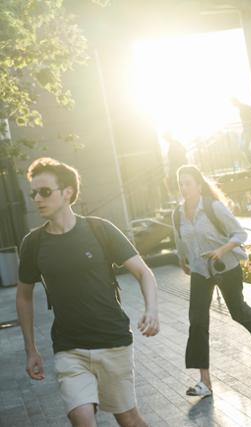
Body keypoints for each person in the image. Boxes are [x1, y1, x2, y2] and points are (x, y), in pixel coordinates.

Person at [16, 157, 160, 427]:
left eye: (44, 191)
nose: (37, 198)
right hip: (69, 348)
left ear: (67, 192)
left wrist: (151, 310)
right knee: (82, 419)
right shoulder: (33, 243)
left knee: (127, 418)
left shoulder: (99, 229)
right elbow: (23, 296)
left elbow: (144, 272)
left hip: (112, 340)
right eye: (33, 192)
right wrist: (30, 350)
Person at [173, 165, 251, 398]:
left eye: (188, 183)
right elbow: (180, 240)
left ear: (198, 185)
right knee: (197, 322)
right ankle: (205, 381)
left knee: (237, 310)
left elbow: (240, 234)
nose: (184, 188)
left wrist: (221, 249)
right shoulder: (178, 213)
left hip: (226, 266)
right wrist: (183, 259)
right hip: (200, 271)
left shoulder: (213, 207)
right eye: (180, 184)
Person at [231, 98, 251, 169]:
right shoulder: (241, 108)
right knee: (242, 147)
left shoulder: (245, 107)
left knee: (244, 147)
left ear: (235, 102)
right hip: (246, 129)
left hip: (250, 128)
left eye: (232, 103)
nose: (232, 105)